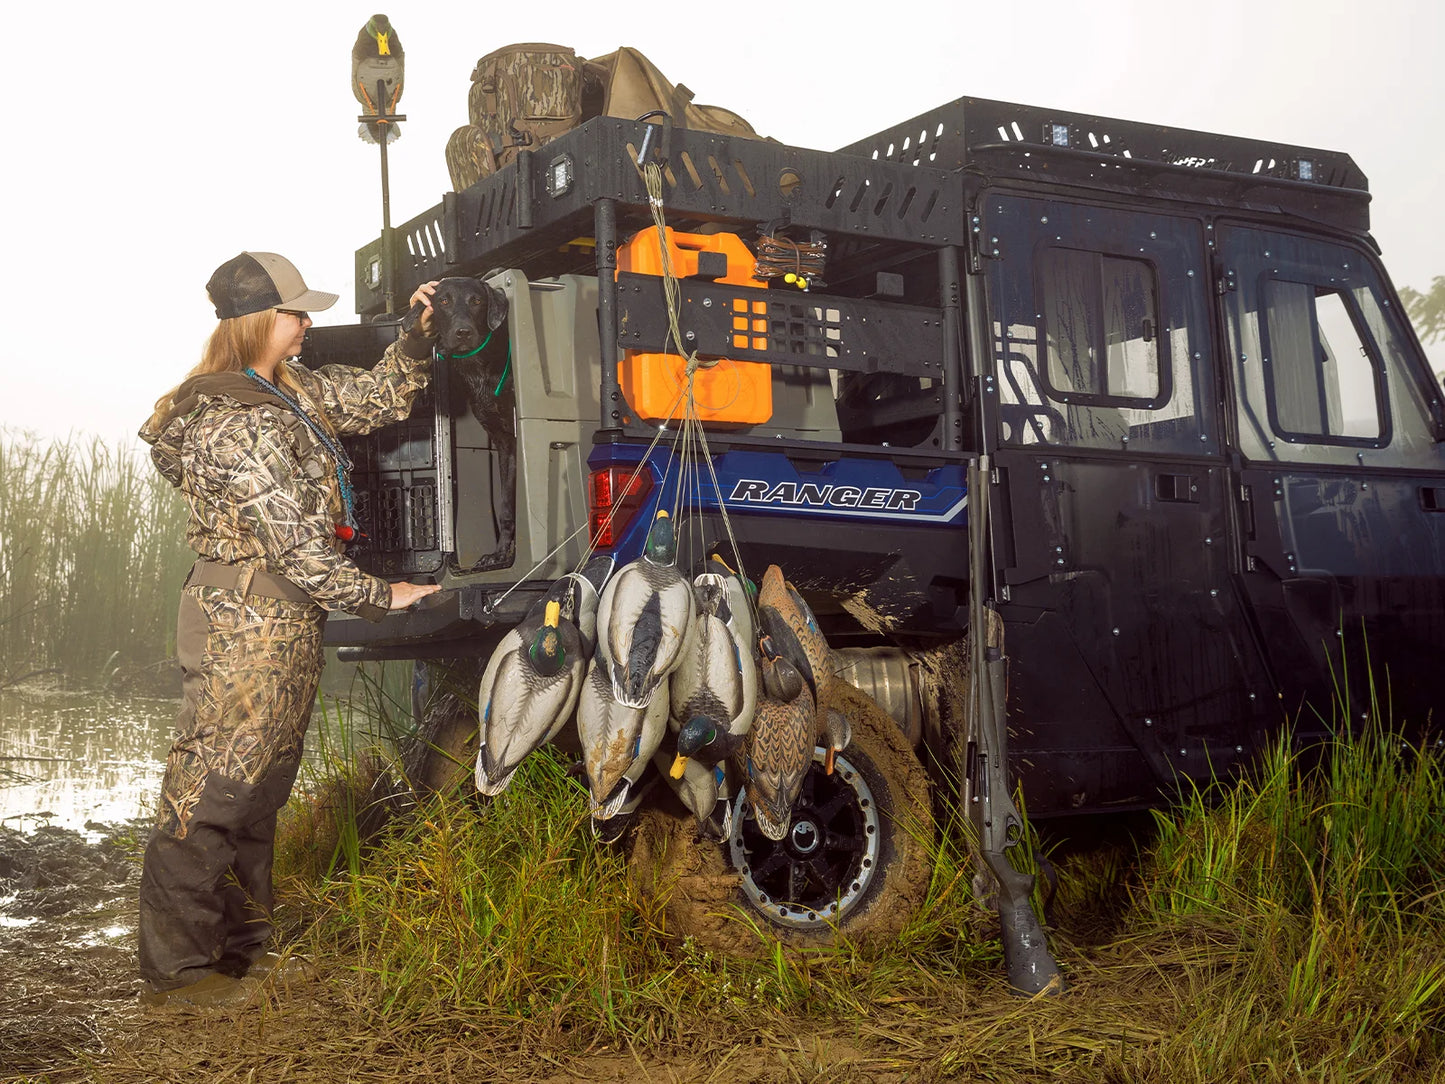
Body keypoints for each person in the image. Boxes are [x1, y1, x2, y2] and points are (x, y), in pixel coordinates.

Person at [135, 251, 441, 1007]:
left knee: (260, 790)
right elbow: (295, 545)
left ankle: (242, 955)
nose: (309, 323)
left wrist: (417, 336)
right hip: (243, 618)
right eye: (296, 312)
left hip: (285, 618)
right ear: (258, 321)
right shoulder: (231, 422)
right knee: (210, 791)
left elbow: (371, 400)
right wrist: (383, 595)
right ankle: (179, 978)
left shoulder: (287, 390)